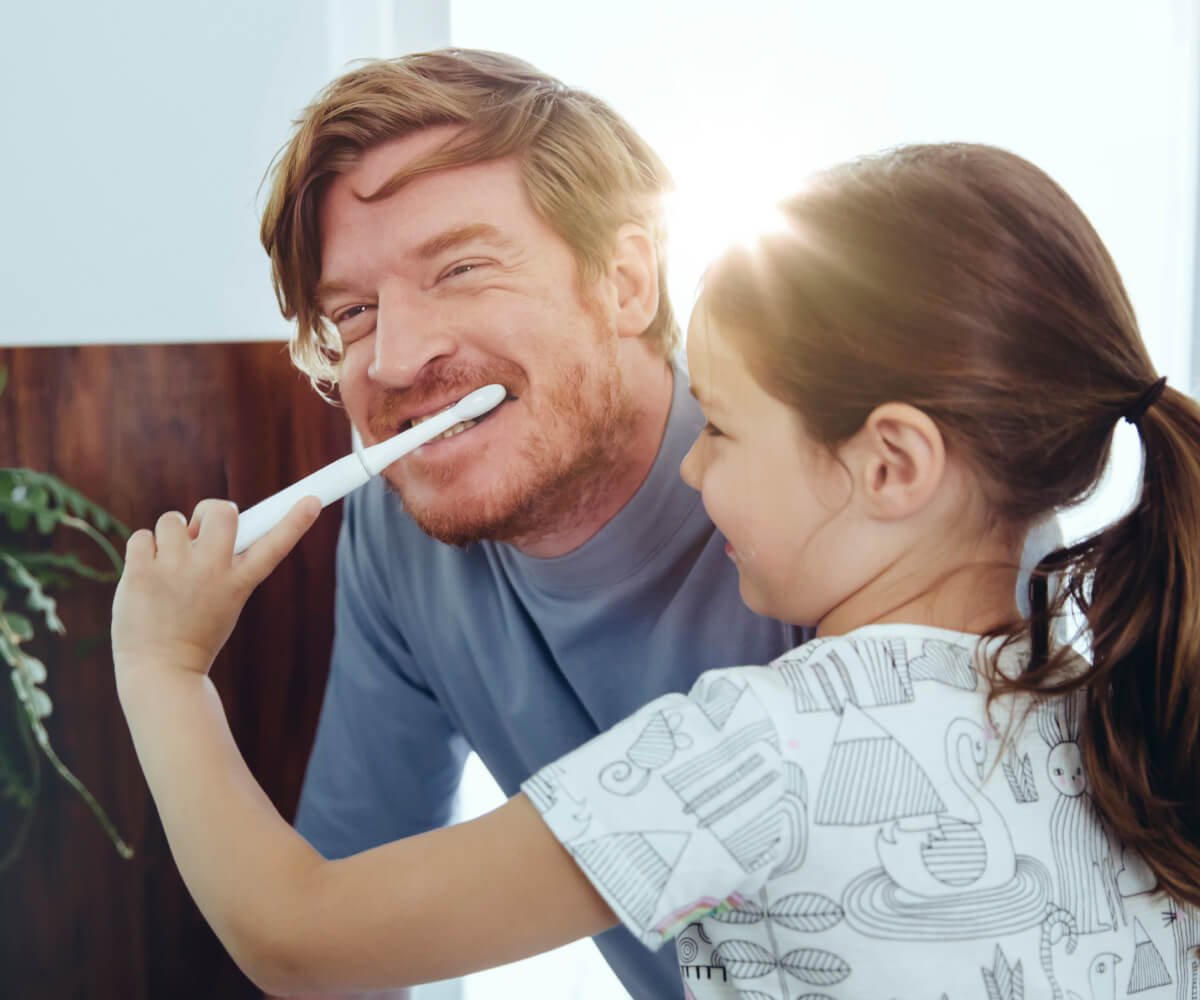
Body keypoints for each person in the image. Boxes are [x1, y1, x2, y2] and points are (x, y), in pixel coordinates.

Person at [113, 141, 1200, 998]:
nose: (693, 462)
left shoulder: (752, 751)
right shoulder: (1116, 712)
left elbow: (297, 933)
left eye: (720, 428)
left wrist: (164, 669)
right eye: (352, 313)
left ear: (891, 461)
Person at [257, 48, 802, 997]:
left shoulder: (837, 496)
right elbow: (353, 931)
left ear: (627, 280)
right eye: (352, 311)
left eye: (462, 267)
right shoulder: (401, 537)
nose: (392, 359)